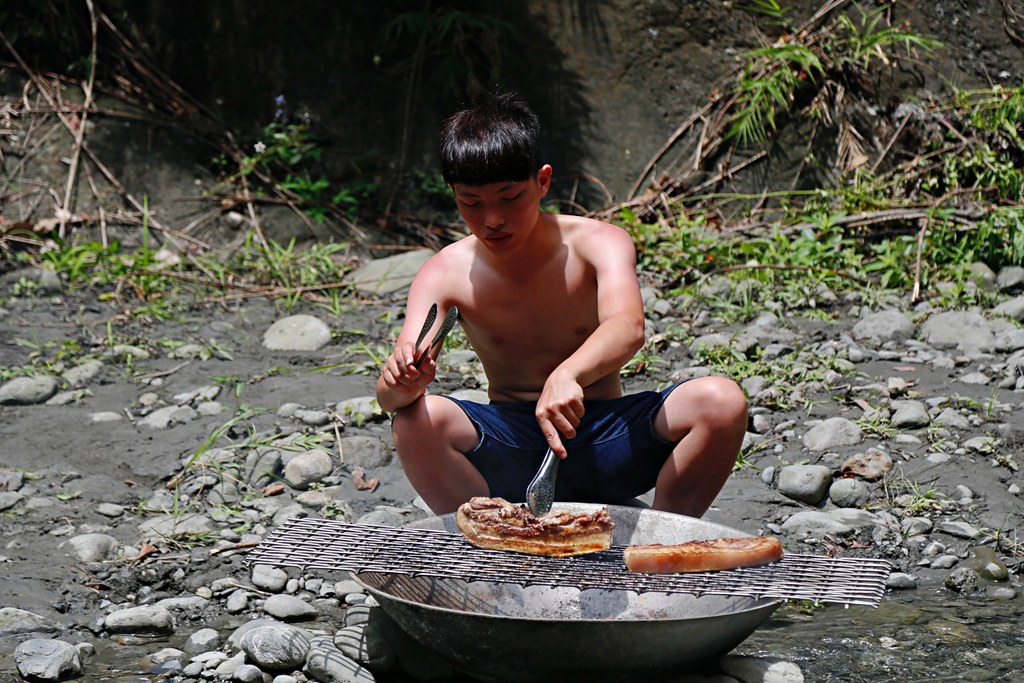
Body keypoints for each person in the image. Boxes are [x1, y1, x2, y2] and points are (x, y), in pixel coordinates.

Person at [376, 91, 748, 517]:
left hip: (607, 438)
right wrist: (401, 381)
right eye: (471, 203)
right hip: (515, 450)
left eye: (509, 197)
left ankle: (662, 545)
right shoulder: (444, 273)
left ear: (542, 182)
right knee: (414, 421)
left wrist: (568, 374)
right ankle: (492, 544)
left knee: (721, 401)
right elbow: (391, 398)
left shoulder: (598, 242)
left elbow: (627, 326)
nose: (492, 219)